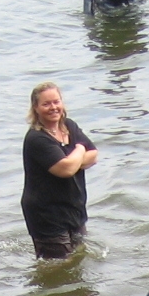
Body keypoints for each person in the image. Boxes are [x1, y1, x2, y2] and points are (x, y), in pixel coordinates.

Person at [22, 83, 98, 259]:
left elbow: (93, 155)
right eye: (46, 104)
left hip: (73, 208)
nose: (53, 107)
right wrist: (80, 149)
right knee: (59, 265)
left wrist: (72, 161)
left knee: (78, 259)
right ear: (36, 108)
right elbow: (66, 170)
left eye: (56, 102)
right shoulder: (36, 138)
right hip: (46, 214)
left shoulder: (69, 126)